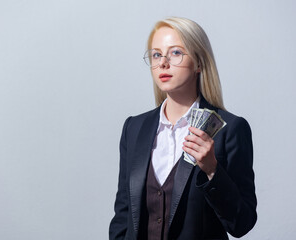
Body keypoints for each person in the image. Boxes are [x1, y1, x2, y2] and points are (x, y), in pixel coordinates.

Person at [109, 17, 257, 240]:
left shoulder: (230, 129)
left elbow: (241, 223)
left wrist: (212, 170)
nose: (163, 63)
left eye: (176, 52)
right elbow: (123, 214)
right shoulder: (134, 128)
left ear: (199, 63)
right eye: (157, 54)